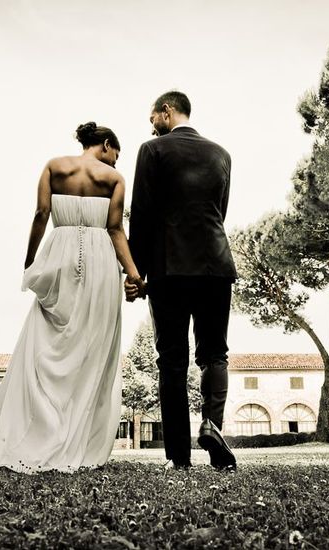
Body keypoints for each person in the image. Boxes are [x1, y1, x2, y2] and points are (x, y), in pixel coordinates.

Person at [0, 122, 143, 473]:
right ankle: (75, 439)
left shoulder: (53, 166)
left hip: (60, 255)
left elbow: (41, 214)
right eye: (116, 154)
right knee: (91, 348)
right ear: (107, 145)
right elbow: (115, 229)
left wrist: (30, 260)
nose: (115, 161)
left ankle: (41, 431)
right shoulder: (114, 179)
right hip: (99, 259)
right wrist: (133, 272)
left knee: (47, 343)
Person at [126, 91, 238, 471]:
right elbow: (219, 212)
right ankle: (212, 426)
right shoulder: (221, 154)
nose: (151, 126)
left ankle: (179, 455)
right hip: (215, 266)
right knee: (215, 353)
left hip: (169, 268)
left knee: (172, 360)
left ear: (166, 111)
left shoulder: (152, 150)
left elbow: (140, 214)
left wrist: (136, 272)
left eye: (153, 118)